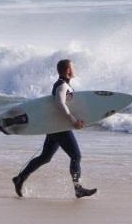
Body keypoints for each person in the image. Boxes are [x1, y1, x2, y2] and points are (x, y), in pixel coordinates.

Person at [12, 59, 97, 198]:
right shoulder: (62, 86)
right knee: (76, 156)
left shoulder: (62, 84)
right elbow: (60, 103)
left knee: (45, 157)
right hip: (60, 128)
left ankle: (20, 178)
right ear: (68, 70)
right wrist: (73, 120)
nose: (74, 70)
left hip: (55, 127)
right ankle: (78, 188)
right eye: (72, 67)